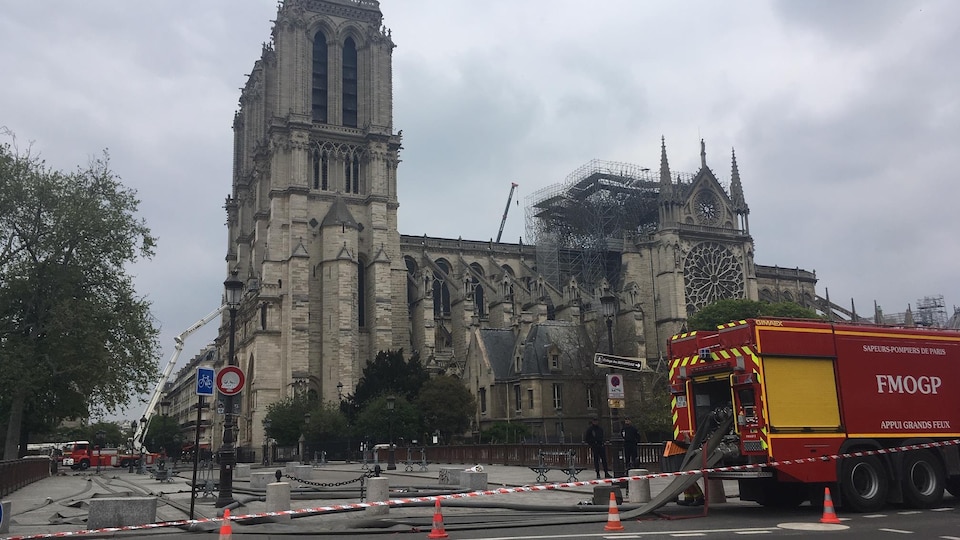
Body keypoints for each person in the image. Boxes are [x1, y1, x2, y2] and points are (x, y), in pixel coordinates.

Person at [661, 431, 704, 506]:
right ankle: (689, 498)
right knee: (684, 478)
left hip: (687, 454)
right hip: (685, 453)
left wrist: (686, 440)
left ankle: (699, 498)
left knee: (688, 479)